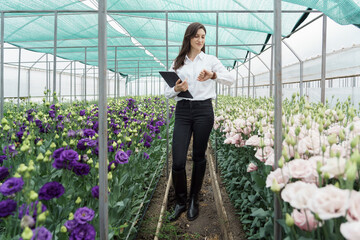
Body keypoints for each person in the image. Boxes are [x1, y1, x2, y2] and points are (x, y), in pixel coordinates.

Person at [164, 22, 234, 221]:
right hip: (183, 111)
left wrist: (213, 75)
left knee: (198, 156)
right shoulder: (178, 62)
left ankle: (194, 198)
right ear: (189, 38)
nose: (200, 40)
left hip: (204, 110)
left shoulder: (210, 60)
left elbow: (230, 79)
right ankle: (180, 201)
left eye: (203, 37)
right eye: (197, 36)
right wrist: (176, 89)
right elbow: (168, 91)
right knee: (177, 161)